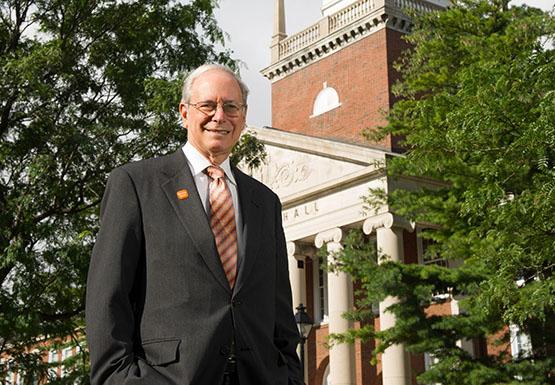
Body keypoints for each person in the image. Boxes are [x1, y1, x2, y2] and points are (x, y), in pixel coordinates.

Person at [85, 64, 304, 385]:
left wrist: (291, 378)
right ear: (185, 113)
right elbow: (108, 298)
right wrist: (120, 378)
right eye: (208, 105)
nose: (220, 116)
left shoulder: (264, 202)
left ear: (243, 117)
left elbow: (280, 309)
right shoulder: (136, 184)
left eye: (231, 107)